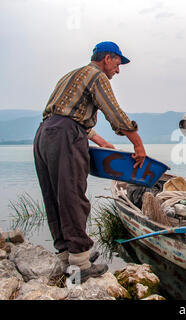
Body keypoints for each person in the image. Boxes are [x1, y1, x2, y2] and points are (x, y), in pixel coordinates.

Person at [33, 41, 146, 283]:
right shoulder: (97, 76)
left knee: (55, 195)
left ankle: (67, 255)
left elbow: (66, 114)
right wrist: (137, 144)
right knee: (73, 196)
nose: (118, 70)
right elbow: (115, 114)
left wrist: (102, 141)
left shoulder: (70, 75)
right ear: (107, 58)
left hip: (45, 133)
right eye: (118, 63)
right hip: (65, 136)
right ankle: (81, 265)